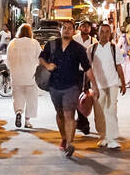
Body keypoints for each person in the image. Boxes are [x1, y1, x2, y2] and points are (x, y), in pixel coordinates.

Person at [39, 21, 94, 158]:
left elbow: (87, 68)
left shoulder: (79, 49)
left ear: (74, 32)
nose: (67, 30)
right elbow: (41, 57)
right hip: (54, 86)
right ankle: (64, 137)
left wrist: (95, 86)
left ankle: (69, 143)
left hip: (72, 87)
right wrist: (47, 65)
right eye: (64, 28)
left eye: (70, 28)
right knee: (60, 113)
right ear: (61, 30)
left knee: (69, 114)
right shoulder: (51, 45)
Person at [87, 22, 127, 150]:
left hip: (112, 83)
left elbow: (119, 66)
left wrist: (123, 83)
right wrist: (87, 86)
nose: (104, 34)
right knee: (99, 112)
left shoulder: (114, 48)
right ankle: (103, 136)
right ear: (98, 33)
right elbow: (87, 68)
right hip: (97, 86)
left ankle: (112, 138)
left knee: (111, 110)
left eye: (107, 32)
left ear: (110, 34)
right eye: (102, 32)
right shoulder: (91, 49)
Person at [5, 23, 41, 130]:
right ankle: (27, 121)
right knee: (31, 99)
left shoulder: (12, 43)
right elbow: (40, 58)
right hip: (31, 76)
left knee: (17, 96)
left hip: (16, 76)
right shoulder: (34, 43)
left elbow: (8, 59)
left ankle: (18, 112)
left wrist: (11, 69)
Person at [74, 21, 95, 136]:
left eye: (88, 26)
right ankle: (83, 121)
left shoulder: (93, 41)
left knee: (85, 96)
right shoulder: (74, 39)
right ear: (80, 28)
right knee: (77, 96)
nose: (86, 28)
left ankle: (83, 121)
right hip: (75, 71)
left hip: (87, 72)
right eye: (84, 26)